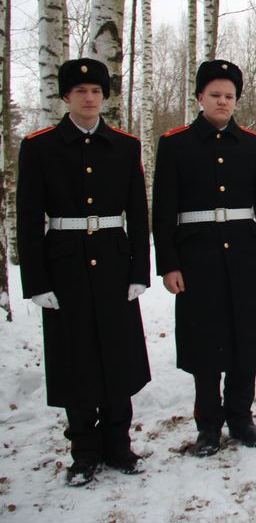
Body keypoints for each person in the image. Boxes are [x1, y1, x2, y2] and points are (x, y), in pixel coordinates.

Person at [17, 58, 151, 486]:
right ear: (65, 97)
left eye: (96, 91)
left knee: (117, 354)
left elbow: (137, 211)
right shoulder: (39, 147)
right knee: (75, 358)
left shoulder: (126, 146)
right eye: (80, 92)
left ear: (104, 97)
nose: (89, 98)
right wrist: (36, 281)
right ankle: (83, 451)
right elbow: (27, 218)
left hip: (113, 261)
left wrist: (139, 270)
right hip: (65, 265)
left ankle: (118, 443)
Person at [152, 59, 256, 456]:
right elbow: (163, 210)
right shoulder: (175, 144)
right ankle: (208, 425)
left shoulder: (253, 145)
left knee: (245, 338)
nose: (223, 102)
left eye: (229, 96)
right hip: (196, 257)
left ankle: (241, 418)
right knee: (204, 341)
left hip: (244, 254)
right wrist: (169, 263)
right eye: (215, 95)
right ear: (199, 98)